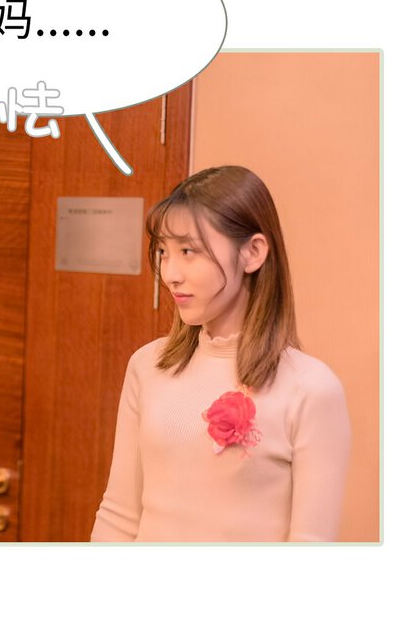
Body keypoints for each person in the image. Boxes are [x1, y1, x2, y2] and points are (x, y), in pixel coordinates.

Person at [91, 166, 351, 542]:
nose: (170, 273)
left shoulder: (310, 388)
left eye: (188, 251)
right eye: (163, 252)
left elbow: (311, 545)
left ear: (253, 252)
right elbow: (118, 516)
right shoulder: (147, 366)